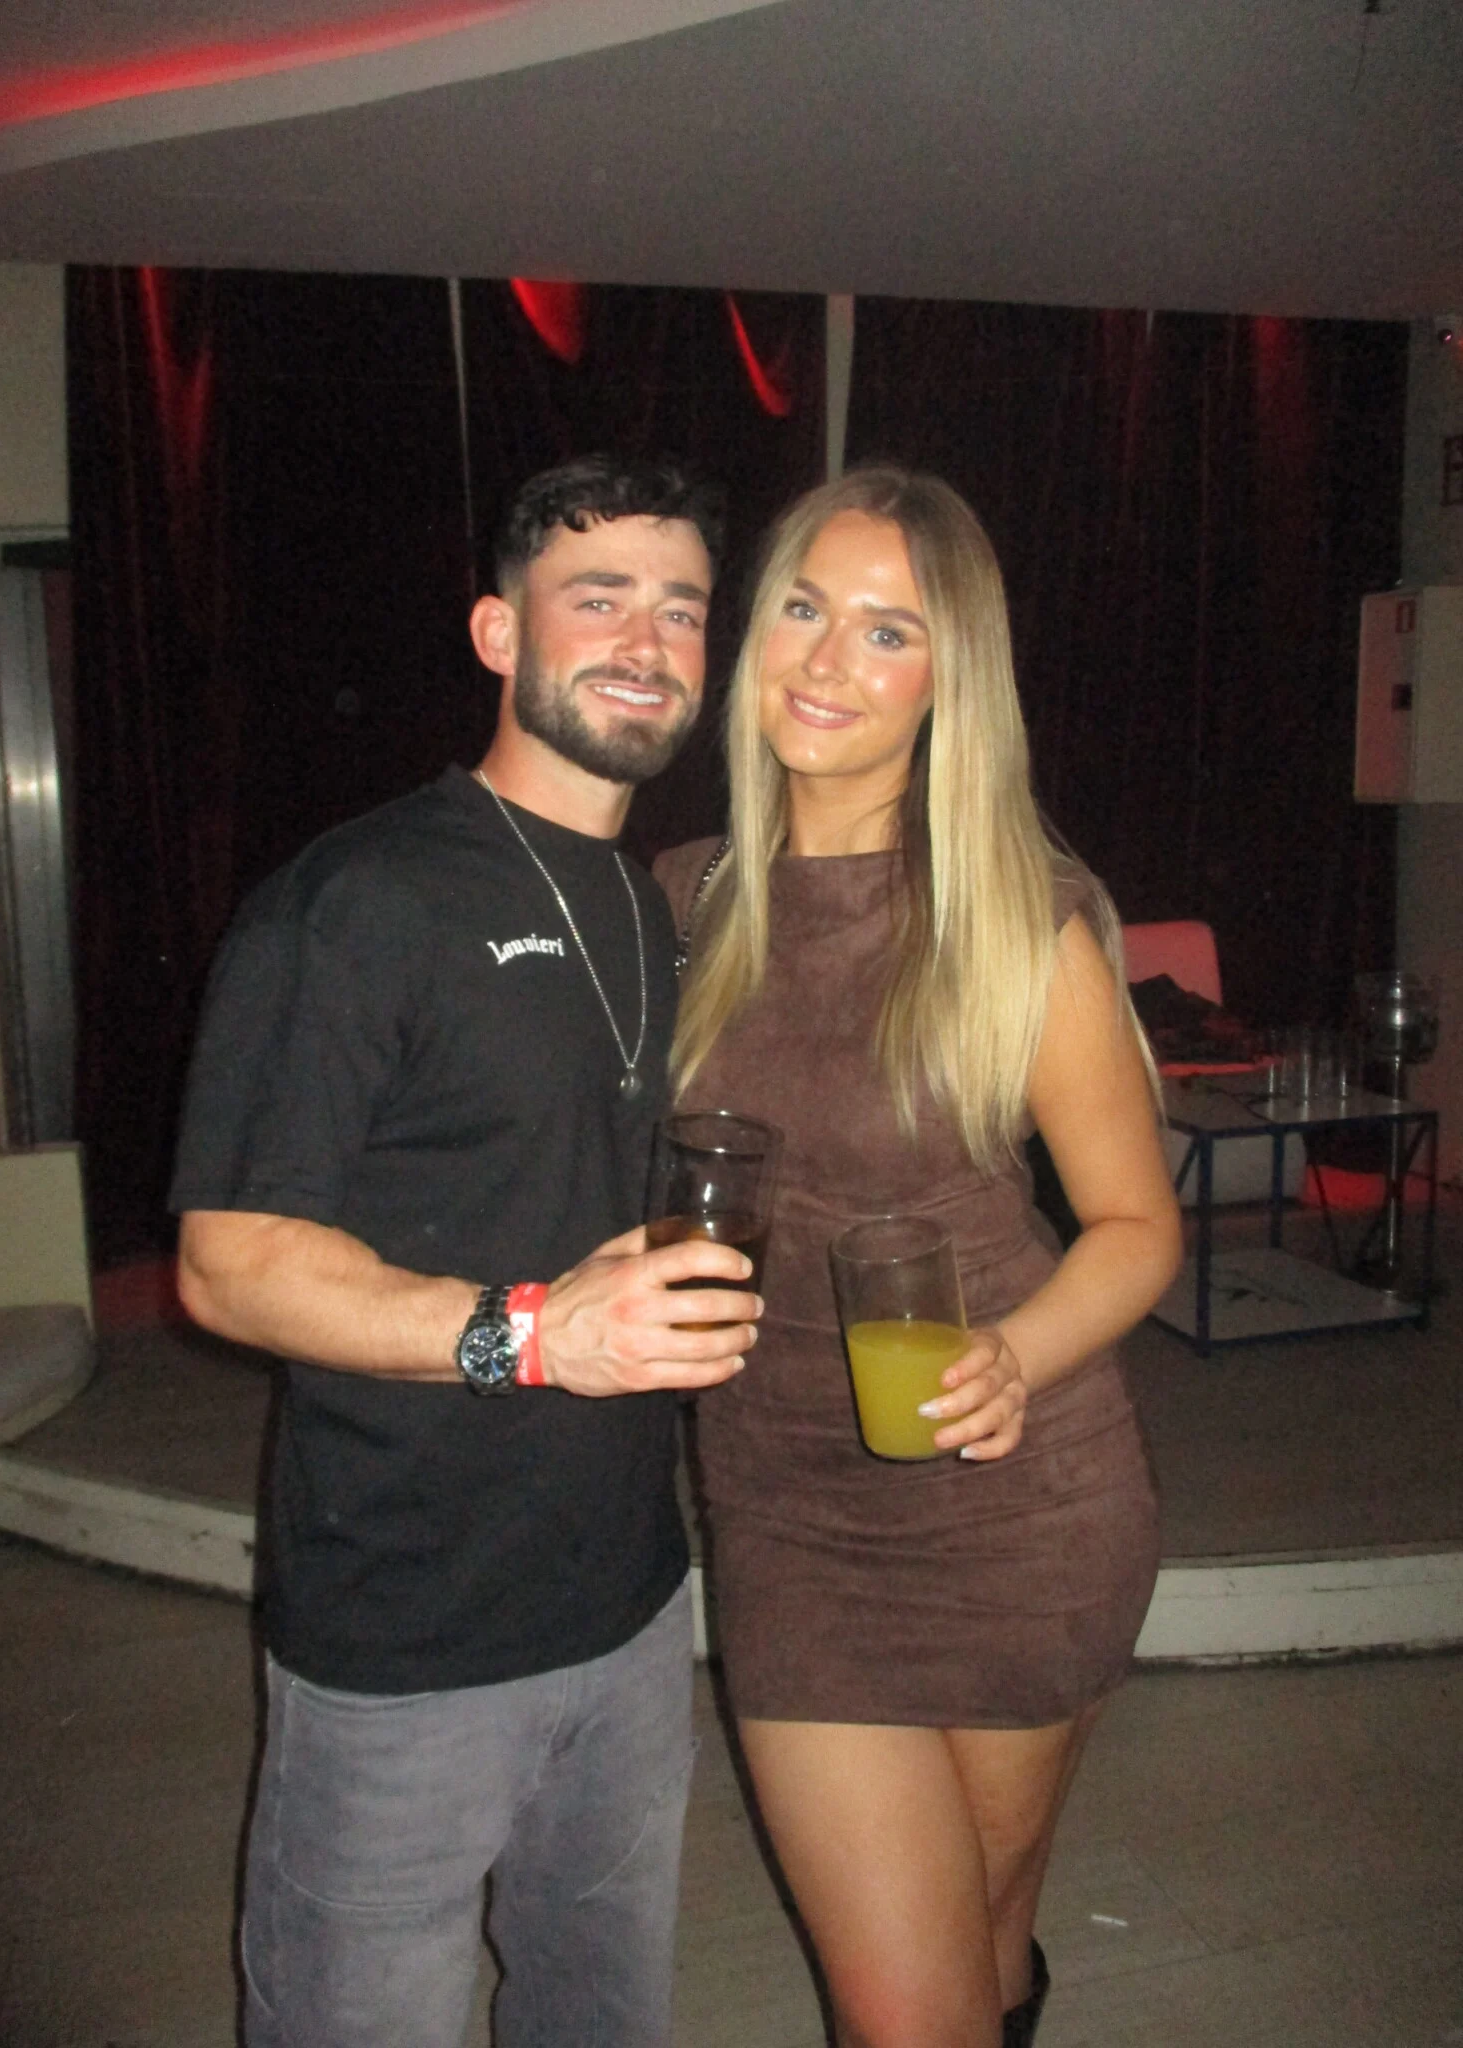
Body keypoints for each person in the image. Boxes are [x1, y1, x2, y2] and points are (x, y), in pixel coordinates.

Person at [170, 453, 764, 2048]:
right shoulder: (358, 900)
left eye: (681, 608)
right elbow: (228, 1263)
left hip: (631, 1610)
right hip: (407, 1640)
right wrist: (540, 1333)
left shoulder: (648, 907)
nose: (645, 640)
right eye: (598, 598)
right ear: (501, 632)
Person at [655, 467, 1182, 2048]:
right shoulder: (680, 899)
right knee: (909, 2008)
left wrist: (1018, 1354)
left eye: (890, 631)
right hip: (788, 1513)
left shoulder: (1017, 920)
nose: (829, 661)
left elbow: (1137, 1227)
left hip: (1015, 1506)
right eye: (805, 609)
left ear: (955, 681)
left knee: (986, 1948)